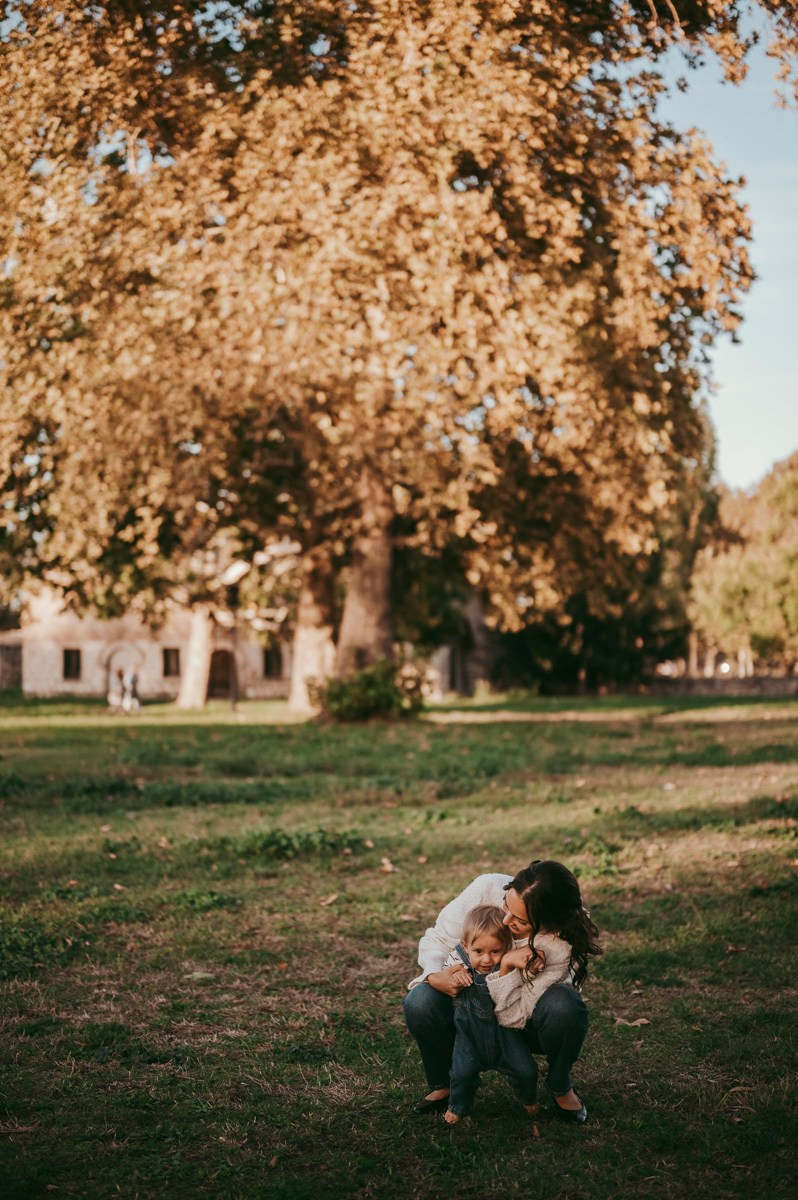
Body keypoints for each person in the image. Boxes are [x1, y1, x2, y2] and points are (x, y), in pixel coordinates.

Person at [403, 859, 602, 1125]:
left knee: (564, 1005)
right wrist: (434, 975)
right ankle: (444, 1082)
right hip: (467, 1010)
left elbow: (523, 1006)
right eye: (507, 904)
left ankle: (560, 1085)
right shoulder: (488, 888)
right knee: (419, 1002)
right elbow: (438, 938)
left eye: (521, 920)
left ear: (549, 922)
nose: (506, 920)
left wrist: (506, 965)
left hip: (523, 1017)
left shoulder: (564, 937)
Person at [442, 904, 550, 1127]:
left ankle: (527, 1098)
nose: (486, 960)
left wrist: (529, 966)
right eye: (478, 952)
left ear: (506, 947)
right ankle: (458, 1106)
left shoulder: (509, 964)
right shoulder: (457, 961)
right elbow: (445, 973)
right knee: (461, 1074)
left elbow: (525, 979)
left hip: (505, 1034)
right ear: (465, 946)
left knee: (526, 1070)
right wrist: (454, 974)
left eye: (495, 951)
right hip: (469, 1037)